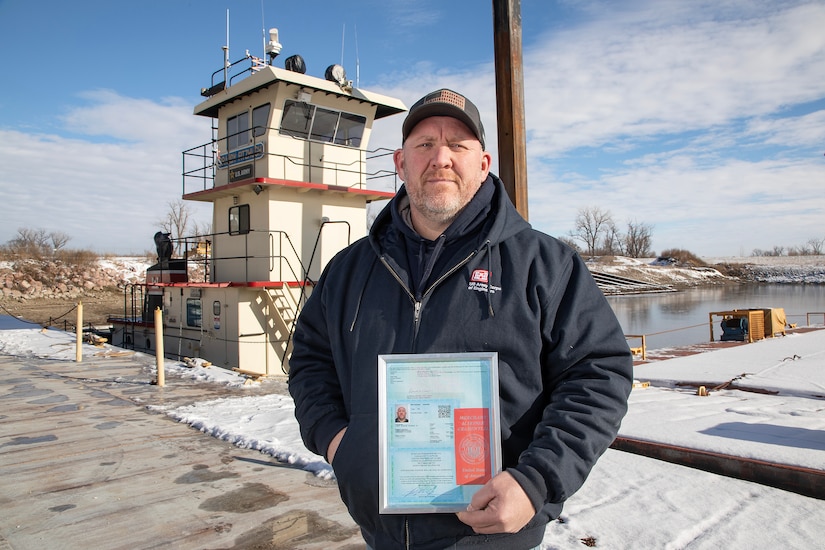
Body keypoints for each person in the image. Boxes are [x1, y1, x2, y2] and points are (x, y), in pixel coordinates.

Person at [288, 88, 633, 549]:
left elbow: (599, 374)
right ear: (400, 162)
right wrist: (335, 440)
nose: (441, 158)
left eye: (458, 144)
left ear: (484, 162)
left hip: (493, 536)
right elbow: (311, 360)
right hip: (383, 532)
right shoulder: (350, 270)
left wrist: (536, 482)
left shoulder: (545, 265)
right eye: (425, 144)